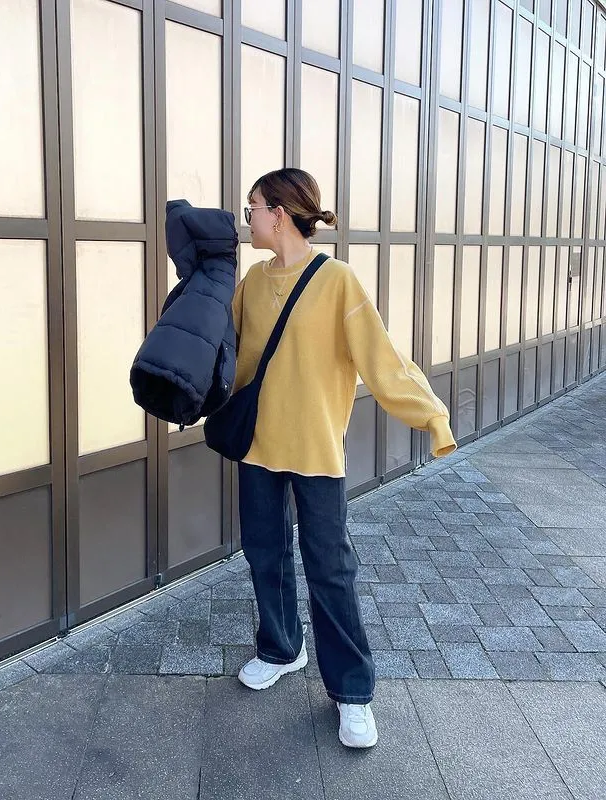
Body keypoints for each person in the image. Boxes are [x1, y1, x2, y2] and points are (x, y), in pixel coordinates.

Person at [232, 168, 456, 749]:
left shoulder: (337, 281)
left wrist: (431, 415)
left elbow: (383, 361)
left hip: (317, 449)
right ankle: (281, 648)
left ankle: (353, 692)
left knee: (329, 570)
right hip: (256, 446)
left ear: (279, 213)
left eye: (253, 207)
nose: (247, 217)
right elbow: (228, 355)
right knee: (265, 555)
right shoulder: (252, 281)